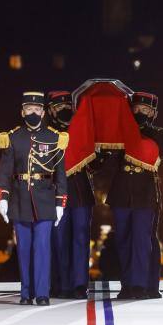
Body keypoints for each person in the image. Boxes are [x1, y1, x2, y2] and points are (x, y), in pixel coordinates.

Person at [0, 90, 68, 305]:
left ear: (44, 112)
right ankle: (26, 293)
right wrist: (3, 198)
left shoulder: (55, 138)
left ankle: (42, 293)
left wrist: (60, 202)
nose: (33, 113)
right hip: (19, 200)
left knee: (43, 249)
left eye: (37, 109)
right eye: (29, 109)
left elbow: (61, 174)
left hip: (45, 201)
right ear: (22, 111)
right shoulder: (12, 137)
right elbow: (4, 171)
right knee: (24, 249)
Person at [106, 91, 163, 299]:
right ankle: (127, 285)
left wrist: (129, 129)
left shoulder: (159, 133)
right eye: (137, 109)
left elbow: (156, 151)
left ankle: (142, 286)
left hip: (145, 193)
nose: (141, 112)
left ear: (153, 113)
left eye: (145, 110)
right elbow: (111, 161)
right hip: (122, 192)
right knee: (123, 240)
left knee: (142, 240)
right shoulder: (120, 133)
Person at [47, 90, 95, 299]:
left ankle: (79, 285)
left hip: (80, 191)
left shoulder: (82, 130)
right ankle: (61, 284)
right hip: (55, 193)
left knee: (81, 239)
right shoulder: (45, 133)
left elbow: (94, 165)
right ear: (50, 110)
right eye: (58, 107)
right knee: (58, 240)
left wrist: (98, 152)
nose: (64, 110)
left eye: (67, 106)